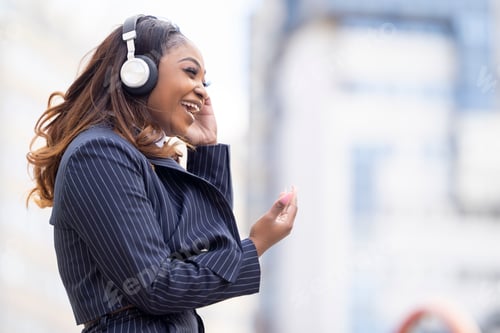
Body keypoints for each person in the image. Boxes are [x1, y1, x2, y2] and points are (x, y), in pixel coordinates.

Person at [26, 14, 298, 332]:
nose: (203, 92)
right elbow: (156, 286)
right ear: (138, 72)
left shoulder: (140, 161)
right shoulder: (98, 153)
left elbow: (203, 249)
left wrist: (206, 149)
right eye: (190, 73)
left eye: (205, 82)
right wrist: (256, 245)